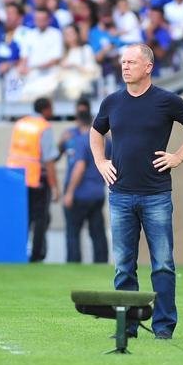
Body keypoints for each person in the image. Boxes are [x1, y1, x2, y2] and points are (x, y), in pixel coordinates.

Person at [90, 44, 183, 340]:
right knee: (124, 267)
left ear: (148, 67)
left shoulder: (166, 101)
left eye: (131, 62)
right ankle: (127, 326)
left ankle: (164, 327)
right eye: (123, 62)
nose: (125, 67)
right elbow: (96, 131)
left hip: (156, 194)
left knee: (163, 265)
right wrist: (101, 161)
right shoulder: (112, 102)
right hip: (120, 195)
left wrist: (178, 156)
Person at [6, 97, 59, 263]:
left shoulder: (20, 124)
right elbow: (49, 159)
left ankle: (18, 252)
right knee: (40, 219)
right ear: (45, 109)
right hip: (36, 179)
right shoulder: (44, 127)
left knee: (23, 218)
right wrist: (55, 186)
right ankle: (36, 255)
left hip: (16, 178)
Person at [62, 106, 109, 264]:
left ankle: (73, 264)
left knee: (73, 233)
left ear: (77, 120)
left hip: (80, 194)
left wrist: (69, 192)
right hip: (98, 193)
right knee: (97, 233)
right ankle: (101, 263)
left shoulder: (82, 140)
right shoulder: (106, 141)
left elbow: (79, 167)